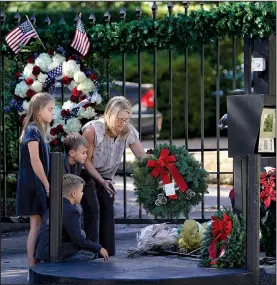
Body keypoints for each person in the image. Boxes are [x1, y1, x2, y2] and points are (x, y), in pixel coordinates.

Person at [81, 96, 146, 256]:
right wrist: (102, 182)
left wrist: (162, 166)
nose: (122, 123)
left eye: (126, 119)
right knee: (93, 209)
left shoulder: (128, 131)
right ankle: (91, 252)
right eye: (119, 119)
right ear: (109, 115)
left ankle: (107, 254)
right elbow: (86, 161)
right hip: (86, 174)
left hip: (106, 177)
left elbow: (142, 158)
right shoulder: (92, 130)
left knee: (108, 211)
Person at [16, 92, 55, 269]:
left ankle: (36, 262)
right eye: (50, 109)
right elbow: (35, 160)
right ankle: (32, 265)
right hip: (33, 184)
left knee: (38, 224)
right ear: (39, 110)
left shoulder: (38, 129)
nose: (53, 113)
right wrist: (47, 184)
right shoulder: (32, 129)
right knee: (35, 225)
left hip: (37, 183)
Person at [34, 174, 109, 262]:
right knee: (91, 253)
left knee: (82, 234)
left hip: (43, 250)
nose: (82, 193)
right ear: (74, 193)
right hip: (53, 252)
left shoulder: (56, 205)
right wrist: (99, 248)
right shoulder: (71, 211)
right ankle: (66, 269)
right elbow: (78, 239)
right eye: (81, 191)